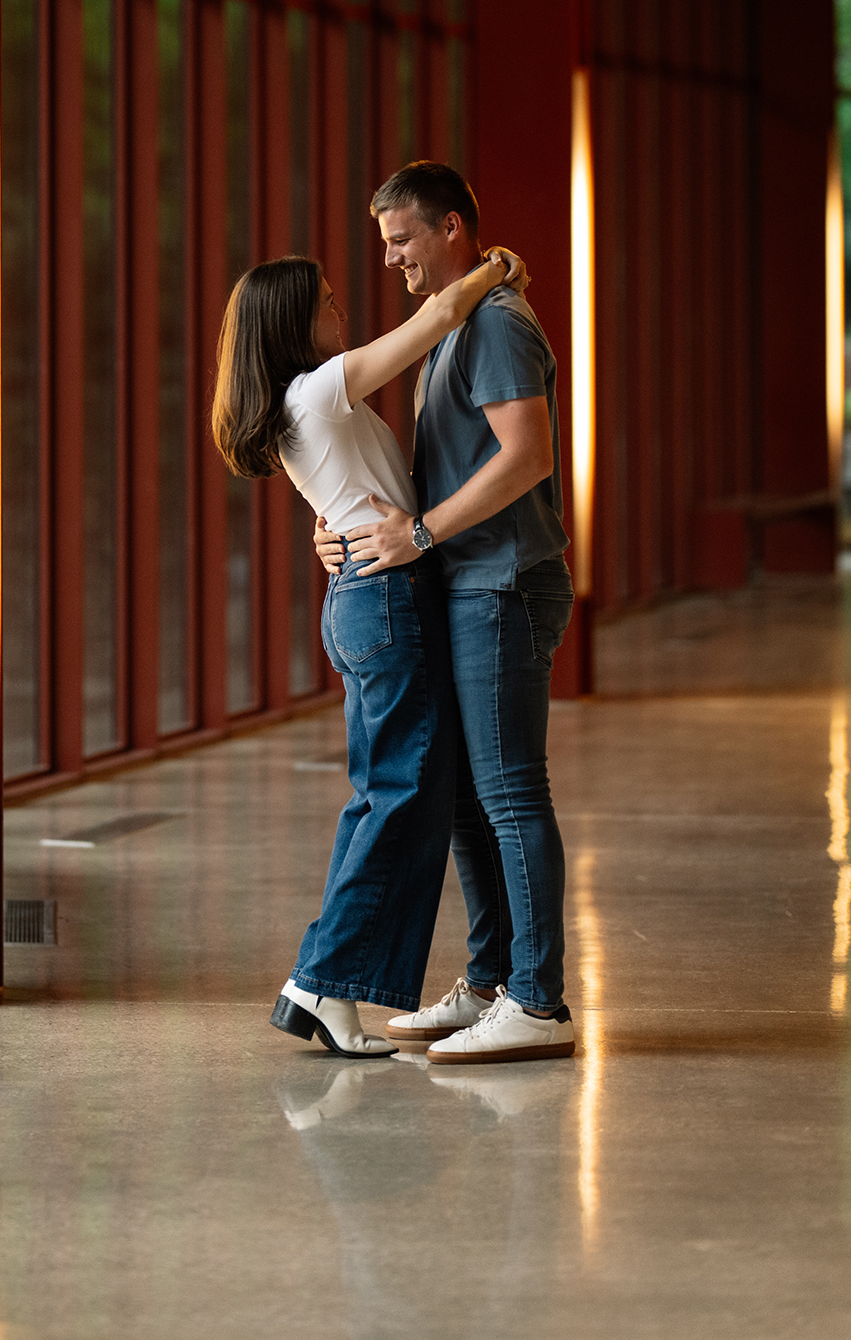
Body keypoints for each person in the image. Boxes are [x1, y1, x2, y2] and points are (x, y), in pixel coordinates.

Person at [211, 241, 523, 1058]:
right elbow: (435, 317)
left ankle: (335, 990)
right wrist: (495, 268)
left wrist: (336, 534)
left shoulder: (298, 407)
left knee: (395, 794)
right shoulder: (317, 389)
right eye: (327, 301)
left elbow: (348, 495)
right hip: (385, 597)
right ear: (292, 323)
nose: (341, 310)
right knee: (396, 796)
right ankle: (317, 979)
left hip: (364, 595)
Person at [317, 160, 576, 1063]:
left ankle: (536, 1003)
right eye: (385, 245)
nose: (391, 261)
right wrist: (353, 531)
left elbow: (526, 459)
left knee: (506, 794)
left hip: (501, 582)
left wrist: (418, 535)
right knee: (469, 798)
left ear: (453, 229)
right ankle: (492, 982)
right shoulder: (458, 324)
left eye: (402, 242)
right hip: (465, 581)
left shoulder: (497, 324)